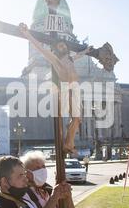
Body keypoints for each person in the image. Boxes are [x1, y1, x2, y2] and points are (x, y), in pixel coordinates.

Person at [19, 23, 92, 154]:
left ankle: (69, 143)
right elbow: (40, 48)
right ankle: (68, 144)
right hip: (65, 87)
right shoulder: (55, 59)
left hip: (75, 88)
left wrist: (86, 51)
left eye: (64, 45)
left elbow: (78, 56)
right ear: (56, 49)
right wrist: (27, 34)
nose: (63, 47)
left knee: (77, 119)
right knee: (72, 117)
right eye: (60, 46)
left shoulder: (70, 58)